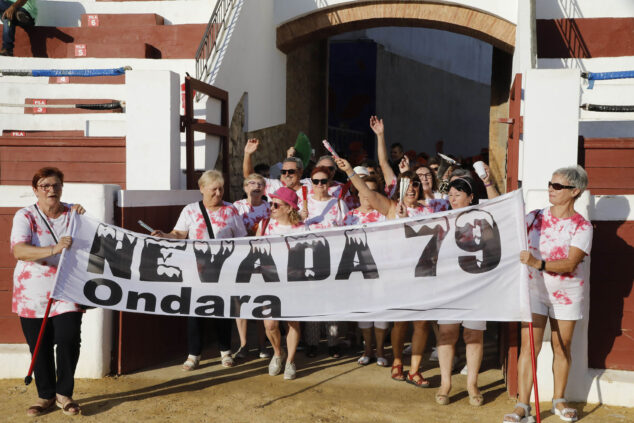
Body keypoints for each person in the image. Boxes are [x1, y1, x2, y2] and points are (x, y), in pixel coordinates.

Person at [503, 166, 592, 423]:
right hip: (534, 292)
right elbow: (506, 215)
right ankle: (522, 405)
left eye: (558, 186)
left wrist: (536, 263)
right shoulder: (535, 217)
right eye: (550, 184)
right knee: (528, 348)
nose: (551, 189)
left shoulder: (582, 226)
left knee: (561, 348)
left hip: (567, 294)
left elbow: (570, 263)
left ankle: (559, 400)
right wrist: (487, 182)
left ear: (575, 192)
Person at [334, 157, 432, 388]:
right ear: (400, 189)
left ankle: (415, 371)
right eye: (407, 185)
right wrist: (349, 170)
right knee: (400, 324)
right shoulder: (389, 207)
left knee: (422, 324)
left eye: (416, 185)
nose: (412, 189)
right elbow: (366, 193)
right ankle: (398, 360)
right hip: (397, 277)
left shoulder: (430, 211)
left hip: (423, 276)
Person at [151, 170, 247, 371]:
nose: (218, 193)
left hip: (224, 270)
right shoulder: (190, 211)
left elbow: (242, 240)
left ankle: (225, 351)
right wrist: (164, 235)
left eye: (221, 189)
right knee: (195, 312)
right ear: (202, 189)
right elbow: (179, 234)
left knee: (223, 311)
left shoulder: (231, 211)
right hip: (196, 270)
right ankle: (194, 354)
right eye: (214, 189)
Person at [11, 167, 86, 416]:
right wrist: (54, 249)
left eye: (55, 185)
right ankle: (45, 396)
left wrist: (83, 218)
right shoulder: (25, 216)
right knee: (39, 344)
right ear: (35, 190)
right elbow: (20, 251)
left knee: (68, 338)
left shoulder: (74, 213)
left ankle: (64, 394)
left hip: (67, 288)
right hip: (32, 291)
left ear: (62, 188)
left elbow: (91, 241)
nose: (51, 190)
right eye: (44, 186)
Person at [435, 177, 486, 407]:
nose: (452, 199)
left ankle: (472, 384)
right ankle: (445, 383)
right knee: (446, 334)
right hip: (449, 286)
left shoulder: (483, 218)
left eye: (458, 194)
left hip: (476, 284)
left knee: (473, 335)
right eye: (451, 195)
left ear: (471, 197)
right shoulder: (441, 219)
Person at [256, 187, 305, 380]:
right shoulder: (264, 224)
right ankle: (278, 353)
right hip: (269, 280)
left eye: (276, 204)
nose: (272, 207)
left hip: (294, 281)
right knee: (270, 324)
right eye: (270, 203)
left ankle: (291, 360)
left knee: (292, 322)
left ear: (288, 208)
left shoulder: (303, 228)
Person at [301, 166, 348, 358]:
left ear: (330, 183)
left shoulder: (338, 204)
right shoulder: (304, 204)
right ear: (311, 183)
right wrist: (300, 218)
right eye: (316, 181)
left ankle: (333, 342)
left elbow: (347, 228)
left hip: (333, 256)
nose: (320, 185)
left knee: (332, 301)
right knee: (312, 300)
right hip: (310, 257)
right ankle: (312, 342)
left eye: (323, 181)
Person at [343, 176, 389, 367]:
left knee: (380, 311)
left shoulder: (385, 215)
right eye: (364, 191)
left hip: (381, 269)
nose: (367, 196)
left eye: (372, 191)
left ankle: (380, 350)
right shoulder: (349, 217)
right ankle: (367, 349)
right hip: (357, 271)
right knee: (363, 312)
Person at [233, 173, 271, 359]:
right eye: (251, 183)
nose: (255, 186)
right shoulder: (235, 207)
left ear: (264, 188)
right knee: (240, 303)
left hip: (263, 261)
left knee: (262, 303)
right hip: (240, 260)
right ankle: (243, 345)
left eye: (260, 184)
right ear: (245, 187)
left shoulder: (270, 208)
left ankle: (263, 344)